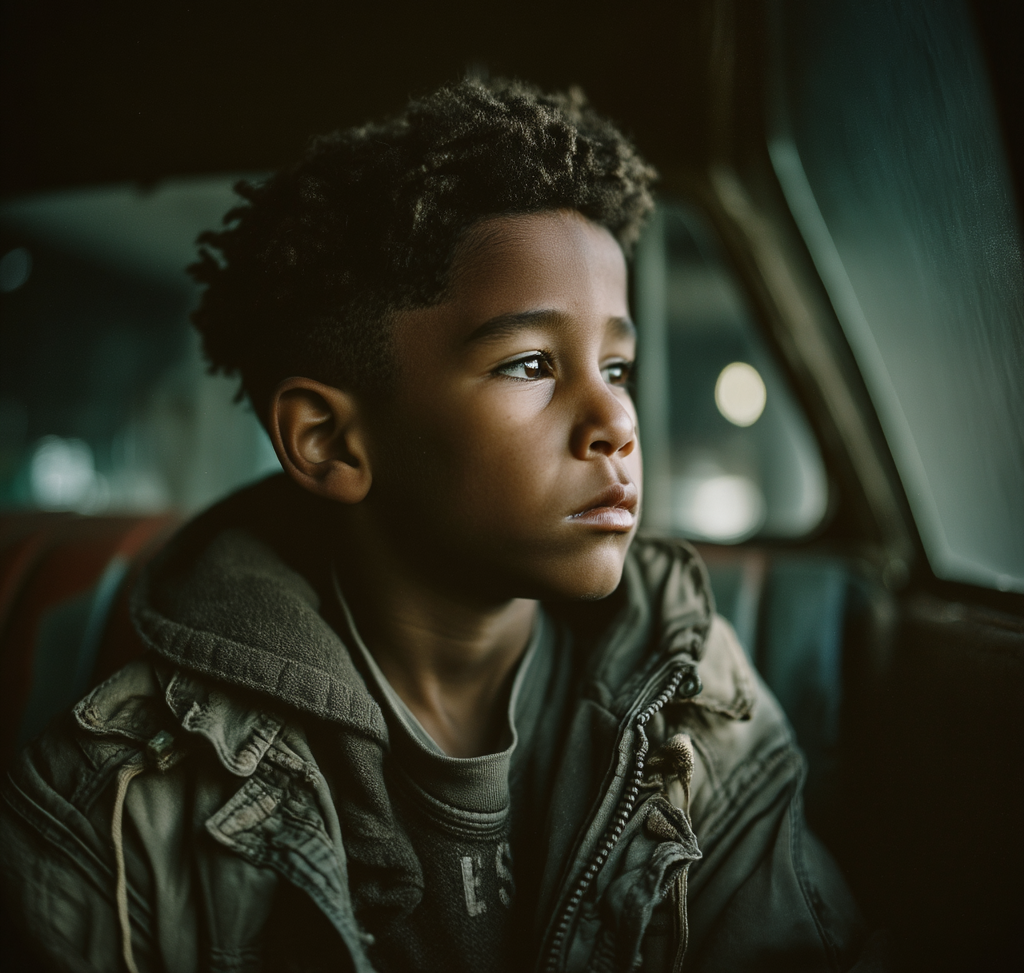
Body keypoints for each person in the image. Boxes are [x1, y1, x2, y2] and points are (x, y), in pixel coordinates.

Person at [1, 78, 865, 972]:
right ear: (330, 441)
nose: (615, 419)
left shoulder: (693, 692)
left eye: (617, 367)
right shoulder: (134, 791)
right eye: (530, 364)